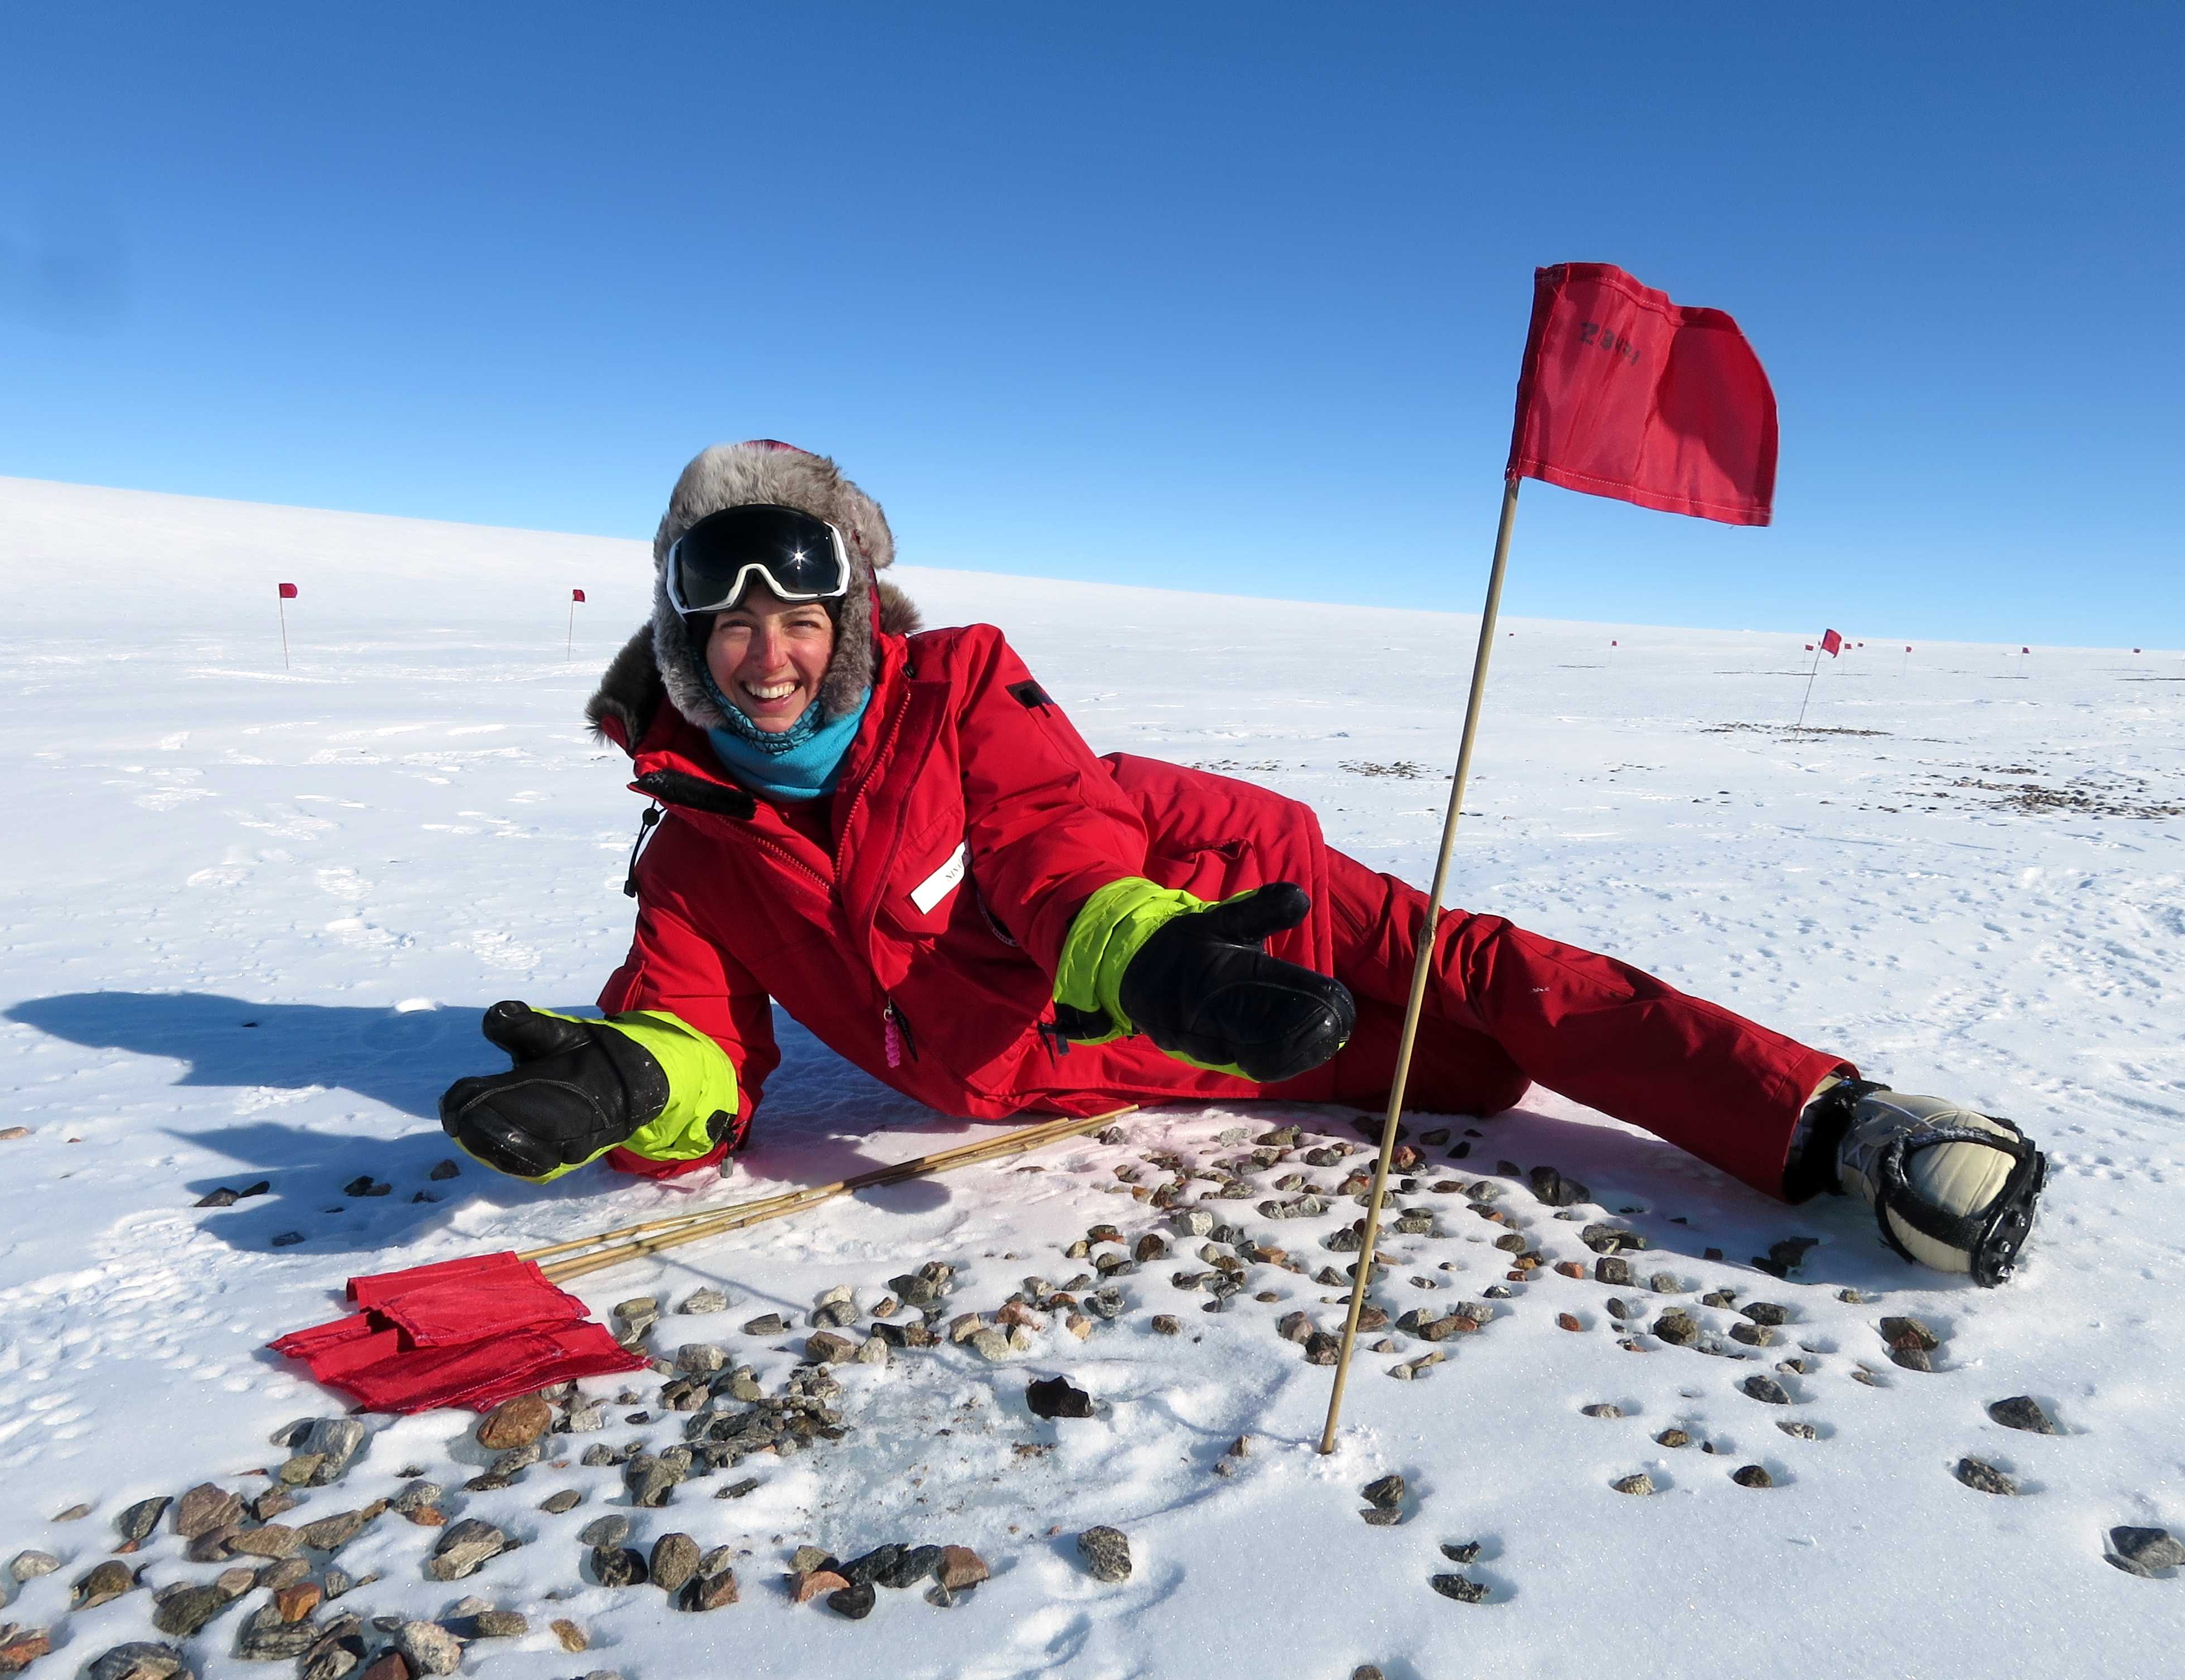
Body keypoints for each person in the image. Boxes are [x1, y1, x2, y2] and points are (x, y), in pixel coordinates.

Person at [439, 441, 2046, 1286]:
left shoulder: (963, 692)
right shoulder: (695, 840)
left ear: (851, 624)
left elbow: (1049, 848)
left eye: (802, 620)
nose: (771, 659)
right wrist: (625, 1093)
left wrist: (1147, 951)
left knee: (1489, 985)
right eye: (733, 629)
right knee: (1470, 1081)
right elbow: (698, 1036)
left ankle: (1846, 1130)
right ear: (686, 646)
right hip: (1110, 1057)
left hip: (1209, 898)